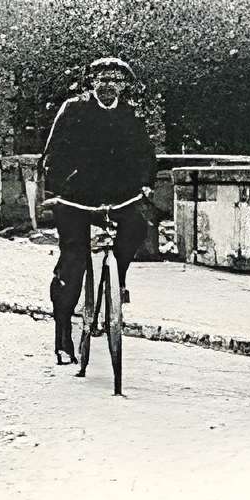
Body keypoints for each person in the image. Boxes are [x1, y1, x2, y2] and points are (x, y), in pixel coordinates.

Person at [39, 55, 157, 364]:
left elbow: (146, 155)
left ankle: (118, 282)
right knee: (73, 263)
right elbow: (53, 154)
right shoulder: (74, 109)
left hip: (118, 198)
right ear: (92, 84)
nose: (108, 86)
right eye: (102, 80)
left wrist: (145, 183)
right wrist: (59, 189)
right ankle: (63, 334)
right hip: (76, 200)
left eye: (114, 81)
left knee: (137, 227)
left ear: (122, 86)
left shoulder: (130, 115)